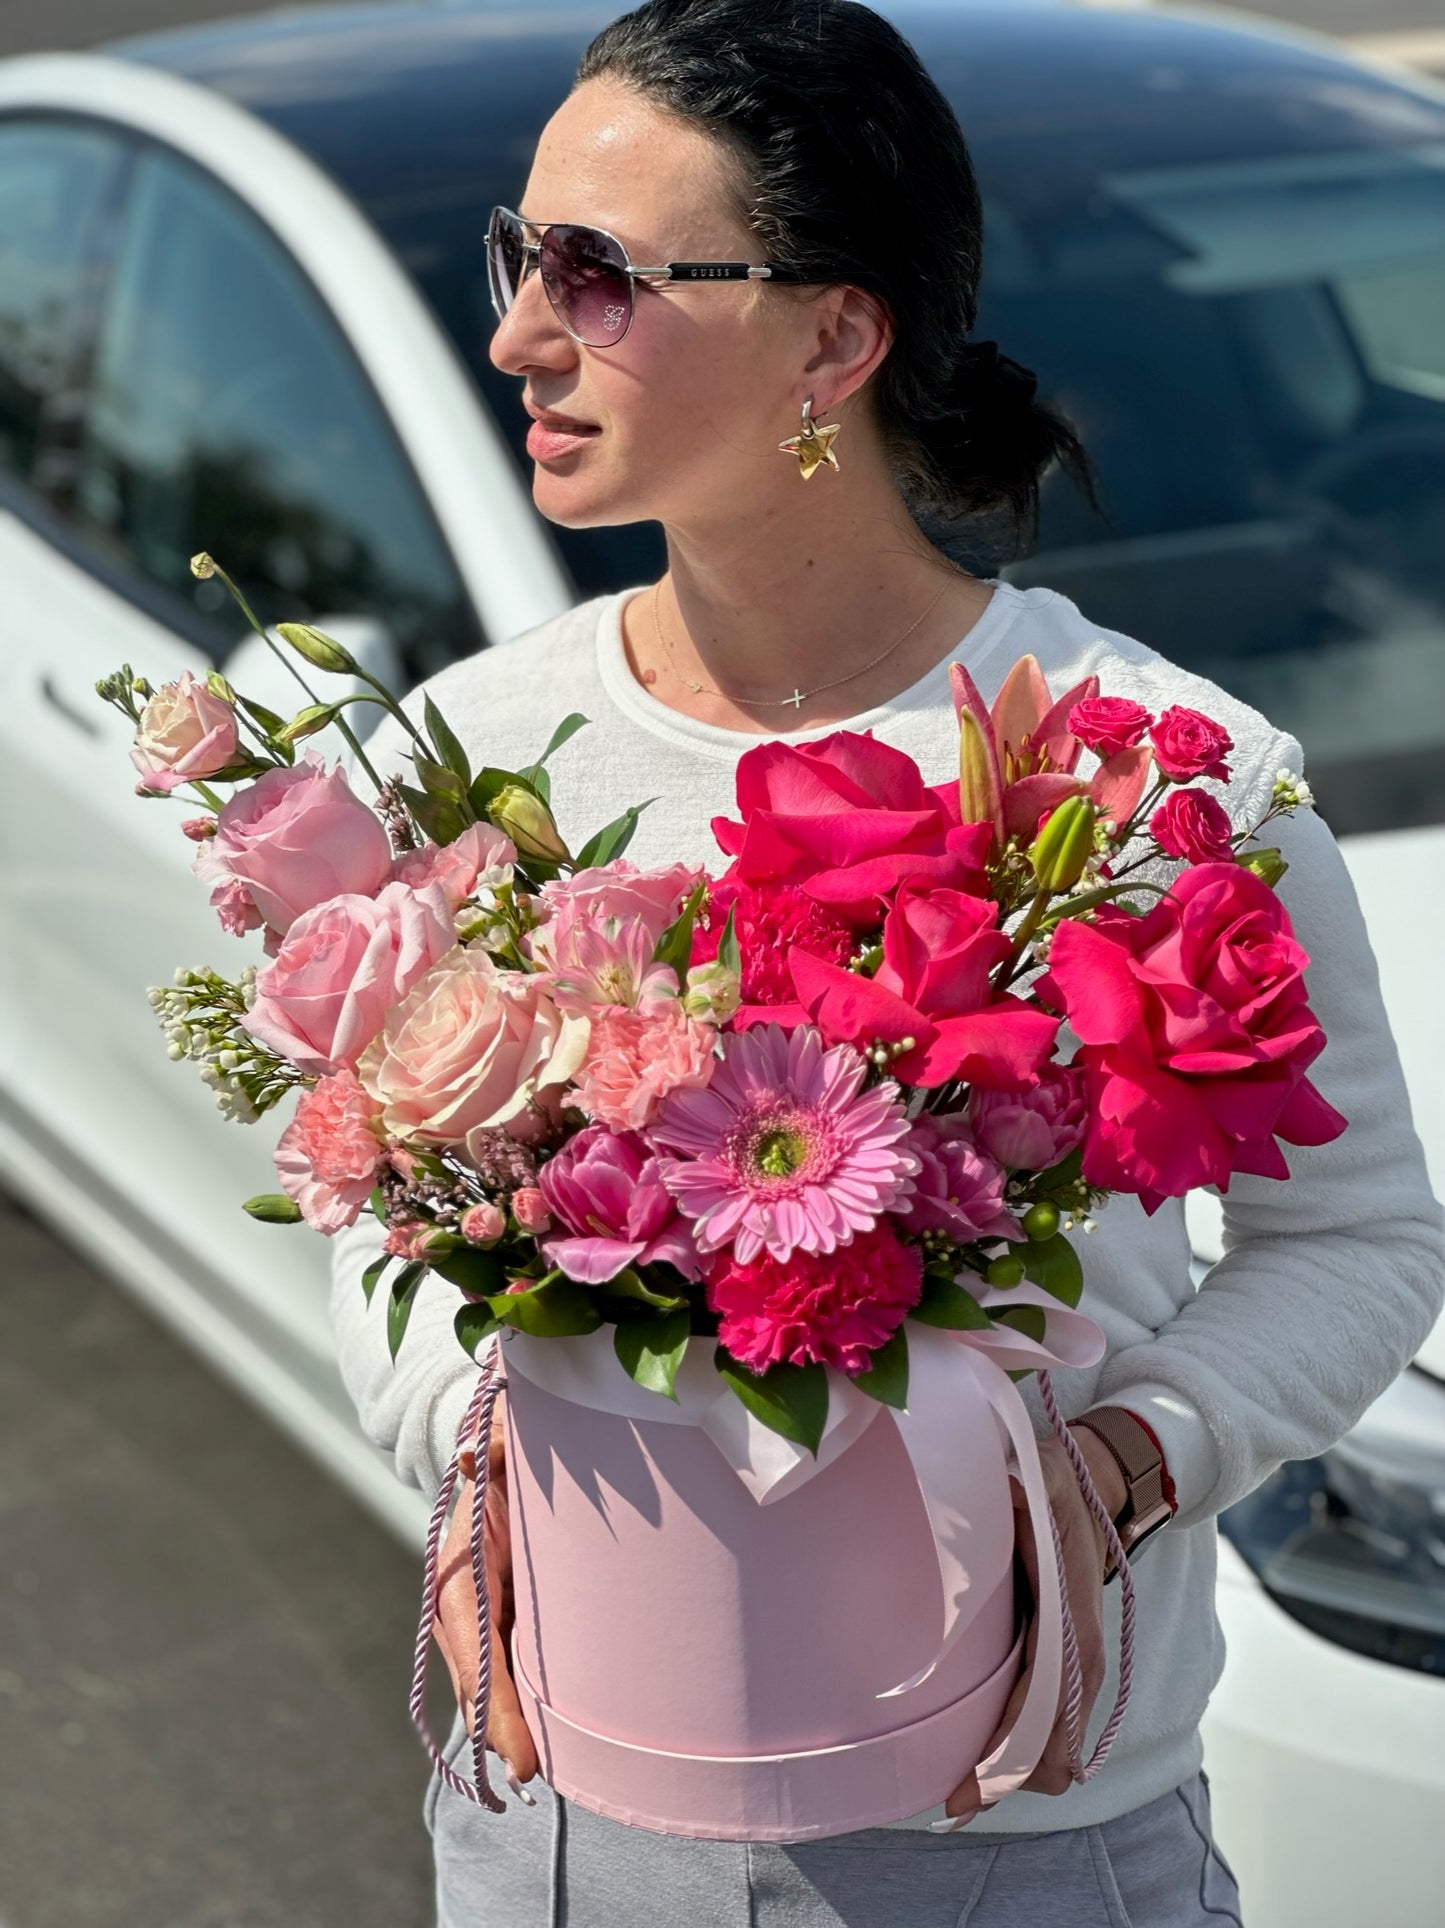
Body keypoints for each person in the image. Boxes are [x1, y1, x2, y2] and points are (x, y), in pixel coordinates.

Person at [325, 3, 1445, 1922]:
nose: (515, 332)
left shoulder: (1159, 777)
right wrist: (474, 1430)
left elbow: (1359, 1241)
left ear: (833, 342)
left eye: (592, 275)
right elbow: (376, 1208)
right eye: (521, 256)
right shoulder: (475, 754)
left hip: (1021, 1837)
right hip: (568, 1820)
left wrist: (1115, 1465)